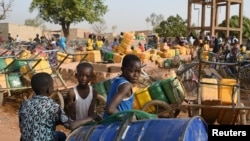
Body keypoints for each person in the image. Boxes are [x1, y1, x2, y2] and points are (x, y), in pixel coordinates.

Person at [19, 72, 99, 141]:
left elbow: (23, 125)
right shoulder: (52, 106)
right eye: (52, 85)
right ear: (49, 89)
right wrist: (92, 117)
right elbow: (71, 125)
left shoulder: (25, 104)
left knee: (59, 134)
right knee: (62, 136)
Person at [103, 54, 142, 118]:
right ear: (123, 69)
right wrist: (125, 119)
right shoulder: (126, 86)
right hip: (117, 125)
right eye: (132, 71)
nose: (136, 75)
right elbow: (110, 109)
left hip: (107, 122)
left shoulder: (116, 80)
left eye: (138, 71)